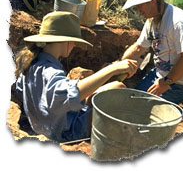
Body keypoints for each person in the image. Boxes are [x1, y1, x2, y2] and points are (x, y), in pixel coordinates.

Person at [15, 11, 138, 143]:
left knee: (116, 86)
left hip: (45, 124)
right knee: (119, 93)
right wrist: (112, 69)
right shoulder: (50, 71)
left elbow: (22, 91)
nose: (74, 45)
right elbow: (71, 94)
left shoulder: (35, 62)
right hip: (65, 132)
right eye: (73, 41)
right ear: (65, 41)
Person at [121, 0, 183, 105]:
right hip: (160, 74)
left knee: (140, 108)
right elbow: (138, 48)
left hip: (182, 82)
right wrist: (118, 65)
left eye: (138, 5)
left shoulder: (179, 22)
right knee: (133, 99)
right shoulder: (152, 20)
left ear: (152, 0)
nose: (136, 9)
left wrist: (166, 82)